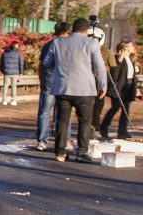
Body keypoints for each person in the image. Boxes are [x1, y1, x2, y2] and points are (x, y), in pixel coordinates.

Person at [45, 17, 107, 162]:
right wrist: (102, 85)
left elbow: (47, 62)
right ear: (86, 30)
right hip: (84, 89)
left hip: (62, 88)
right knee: (84, 121)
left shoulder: (58, 42)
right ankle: (82, 152)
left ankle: (60, 152)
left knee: (62, 121)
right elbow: (99, 66)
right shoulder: (91, 42)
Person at [35, 21, 68, 150]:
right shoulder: (68, 45)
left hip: (48, 80)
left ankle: (42, 141)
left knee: (44, 111)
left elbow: (41, 65)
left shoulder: (48, 45)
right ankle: (62, 140)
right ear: (66, 31)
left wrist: (42, 80)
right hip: (63, 82)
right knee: (64, 112)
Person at [99, 40, 137, 140]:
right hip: (119, 88)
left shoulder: (131, 59)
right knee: (115, 108)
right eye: (130, 45)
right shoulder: (117, 59)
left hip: (128, 87)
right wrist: (120, 59)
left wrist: (135, 89)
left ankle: (122, 131)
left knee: (126, 111)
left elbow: (133, 76)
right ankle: (104, 127)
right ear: (124, 49)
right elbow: (114, 74)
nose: (133, 47)